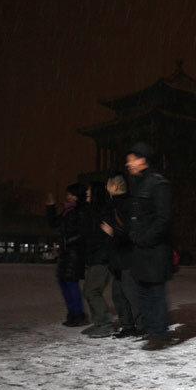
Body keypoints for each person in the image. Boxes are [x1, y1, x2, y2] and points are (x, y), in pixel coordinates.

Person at [125, 142, 174, 351]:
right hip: (141, 248)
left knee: (155, 291)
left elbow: (164, 219)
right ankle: (152, 330)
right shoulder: (139, 183)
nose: (128, 164)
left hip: (154, 249)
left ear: (143, 159)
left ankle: (160, 333)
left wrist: (146, 238)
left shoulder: (158, 184)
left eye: (131, 160)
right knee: (143, 291)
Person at [101, 173, 144, 338]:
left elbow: (133, 231)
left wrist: (113, 232)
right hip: (118, 259)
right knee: (118, 295)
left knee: (131, 293)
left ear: (116, 187)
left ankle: (141, 326)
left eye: (108, 184)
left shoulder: (128, 204)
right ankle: (128, 326)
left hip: (129, 258)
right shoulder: (113, 205)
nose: (106, 187)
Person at [46, 183, 87, 327]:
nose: (67, 196)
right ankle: (72, 313)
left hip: (74, 253)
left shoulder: (79, 211)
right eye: (67, 193)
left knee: (71, 282)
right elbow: (53, 223)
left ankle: (78, 314)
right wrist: (50, 207)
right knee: (63, 282)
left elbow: (82, 234)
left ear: (77, 196)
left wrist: (67, 242)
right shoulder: (67, 211)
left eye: (71, 194)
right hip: (66, 252)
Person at [80, 182, 114, 338]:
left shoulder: (103, 212)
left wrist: (101, 257)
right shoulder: (92, 211)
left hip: (102, 259)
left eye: (89, 190)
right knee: (88, 291)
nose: (86, 192)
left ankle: (106, 323)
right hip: (94, 258)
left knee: (92, 291)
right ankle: (99, 322)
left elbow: (105, 238)